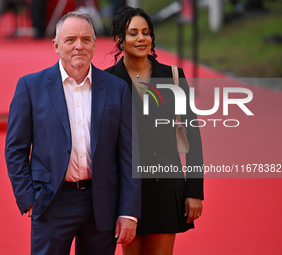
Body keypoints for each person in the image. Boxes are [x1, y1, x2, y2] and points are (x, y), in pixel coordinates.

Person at [5, 11, 141, 255]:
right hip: (51, 201)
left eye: (86, 39)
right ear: (56, 46)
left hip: (102, 202)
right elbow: (15, 149)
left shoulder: (116, 89)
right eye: (70, 40)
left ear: (95, 44)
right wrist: (28, 198)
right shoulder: (30, 87)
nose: (79, 46)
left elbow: (130, 153)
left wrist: (128, 211)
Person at [105, 7, 204, 255]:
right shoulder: (107, 82)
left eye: (146, 33)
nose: (141, 38)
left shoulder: (173, 77)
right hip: (128, 192)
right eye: (133, 33)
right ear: (119, 39)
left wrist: (195, 191)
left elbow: (192, 135)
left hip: (166, 187)